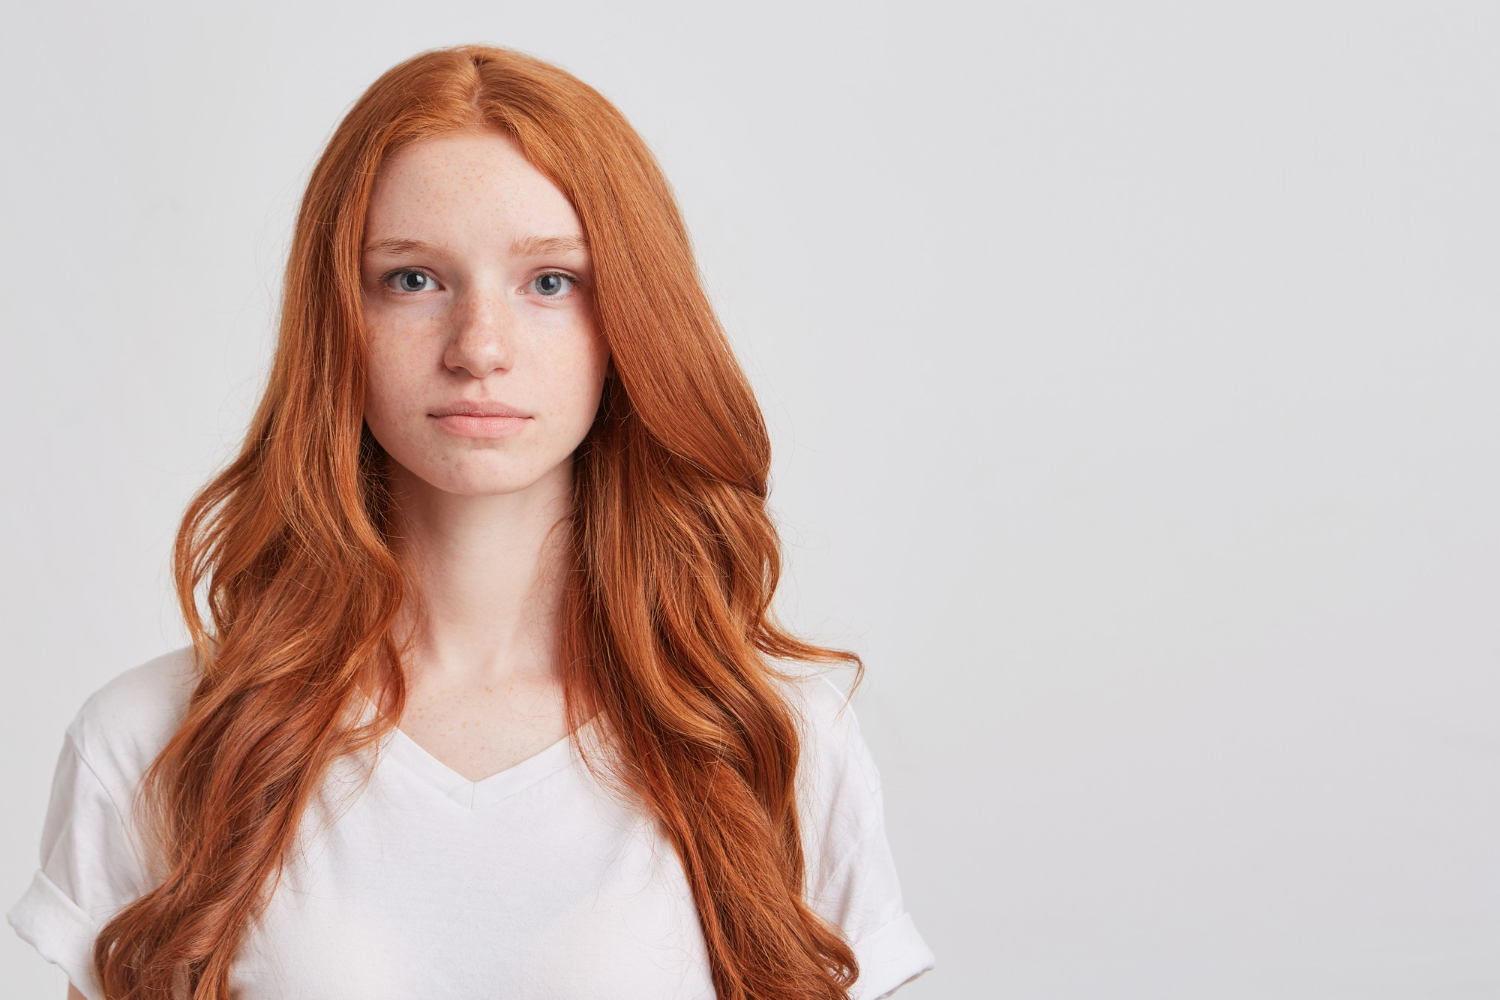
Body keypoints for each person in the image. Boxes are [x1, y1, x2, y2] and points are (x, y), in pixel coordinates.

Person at [6, 44, 935, 1000]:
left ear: (631, 321)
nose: (479, 349)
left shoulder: (773, 735)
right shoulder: (156, 739)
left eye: (550, 282)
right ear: (338, 318)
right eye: (413, 279)